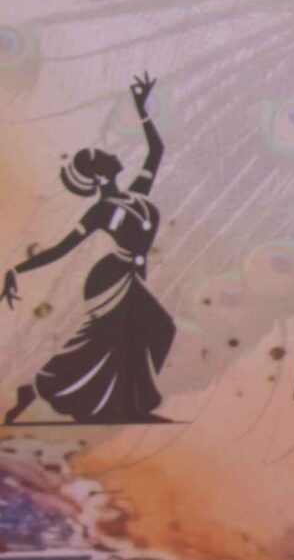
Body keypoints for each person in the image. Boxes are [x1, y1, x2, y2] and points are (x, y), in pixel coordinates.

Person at [3, 75, 178, 424]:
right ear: (99, 177)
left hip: (127, 274)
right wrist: (16, 270)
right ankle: (107, 401)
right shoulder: (101, 211)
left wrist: (142, 109)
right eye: (99, 157)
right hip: (111, 277)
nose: (108, 154)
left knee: (123, 340)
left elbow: (156, 152)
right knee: (152, 330)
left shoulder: (136, 195)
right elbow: (61, 249)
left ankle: (40, 392)